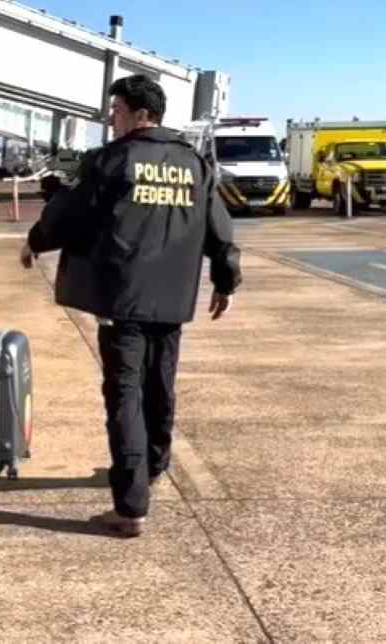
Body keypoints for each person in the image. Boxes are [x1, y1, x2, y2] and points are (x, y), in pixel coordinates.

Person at [20, 75, 242, 537]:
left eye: (116, 108)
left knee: (124, 395)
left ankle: (130, 504)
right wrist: (226, 279)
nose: (111, 117)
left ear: (141, 113)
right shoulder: (194, 164)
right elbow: (218, 227)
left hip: (122, 299)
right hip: (172, 299)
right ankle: (152, 468)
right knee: (160, 387)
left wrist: (36, 241)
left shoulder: (110, 160)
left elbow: (67, 215)